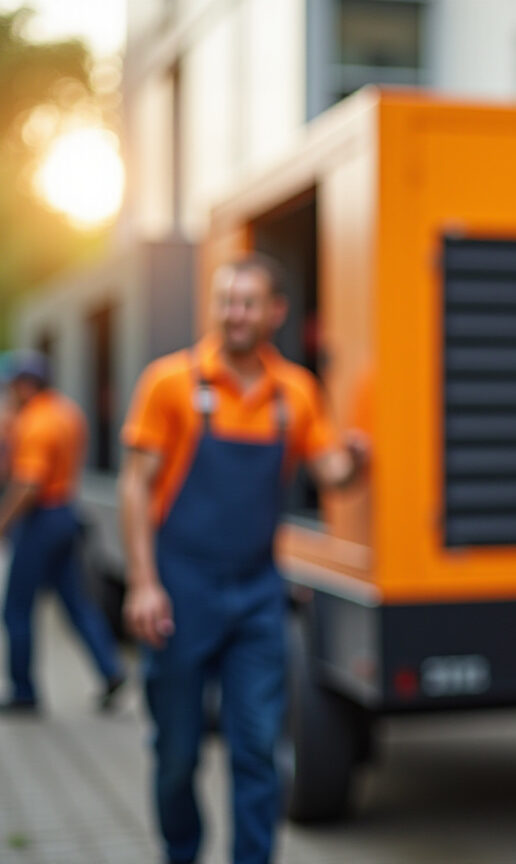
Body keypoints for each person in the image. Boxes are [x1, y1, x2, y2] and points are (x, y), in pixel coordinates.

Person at [118, 254, 365, 864]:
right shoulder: (170, 383)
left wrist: (360, 455)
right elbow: (133, 486)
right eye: (226, 300)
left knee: (255, 748)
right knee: (177, 753)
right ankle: (182, 853)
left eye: (248, 302)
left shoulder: (296, 393)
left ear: (275, 312)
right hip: (181, 590)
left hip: (257, 593)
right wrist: (144, 584)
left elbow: (331, 471)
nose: (234, 313)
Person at [0, 351, 124, 714]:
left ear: (26, 385)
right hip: (66, 514)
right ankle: (111, 668)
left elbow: (28, 485)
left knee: (16, 607)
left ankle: (24, 691)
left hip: (42, 519)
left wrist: (3, 523)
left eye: (12, 387)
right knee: (75, 602)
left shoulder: (37, 423)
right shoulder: (66, 412)